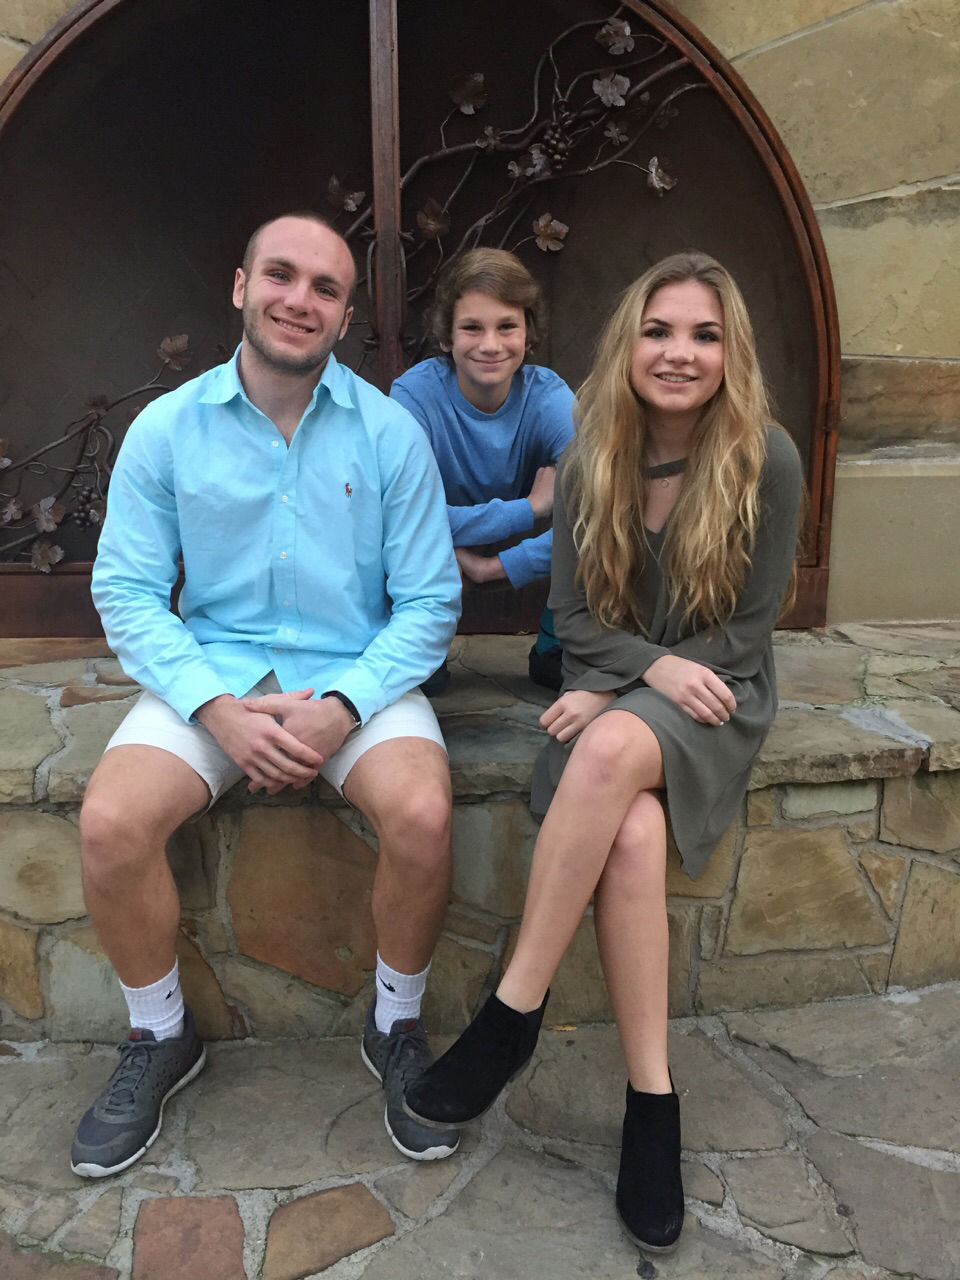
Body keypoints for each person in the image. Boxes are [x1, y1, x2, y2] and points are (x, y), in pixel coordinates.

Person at [403, 251, 804, 1252]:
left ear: (731, 352)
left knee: (611, 739)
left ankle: (511, 1013)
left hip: (715, 693)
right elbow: (575, 620)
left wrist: (636, 684)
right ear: (628, 344)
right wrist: (631, 674)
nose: (679, 353)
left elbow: (748, 632)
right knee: (629, 837)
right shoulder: (592, 460)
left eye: (704, 335)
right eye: (658, 331)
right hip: (621, 687)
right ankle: (651, 1102)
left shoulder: (768, 457)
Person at [71, 212, 464, 1178]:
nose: (301, 300)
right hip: (216, 676)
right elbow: (127, 591)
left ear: (346, 317)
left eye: (326, 288)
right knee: (111, 824)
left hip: (353, 674)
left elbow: (429, 603)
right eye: (281, 275)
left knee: (421, 814)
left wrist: (343, 707)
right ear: (241, 286)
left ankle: (394, 1024)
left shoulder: (391, 434)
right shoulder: (167, 430)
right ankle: (159, 1033)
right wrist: (215, 710)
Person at [389, 248, 575, 692]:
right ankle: (422, 648)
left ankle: (555, 646)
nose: (490, 345)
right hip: (434, 551)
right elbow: (397, 517)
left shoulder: (550, 398)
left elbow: (600, 515)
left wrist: (496, 567)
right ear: (447, 337)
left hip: (496, 544)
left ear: (528, 333)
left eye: (507, 326)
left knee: (607, 529)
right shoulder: (414, 398)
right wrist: (529, 509)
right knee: (422, 684)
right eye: (472, 327)